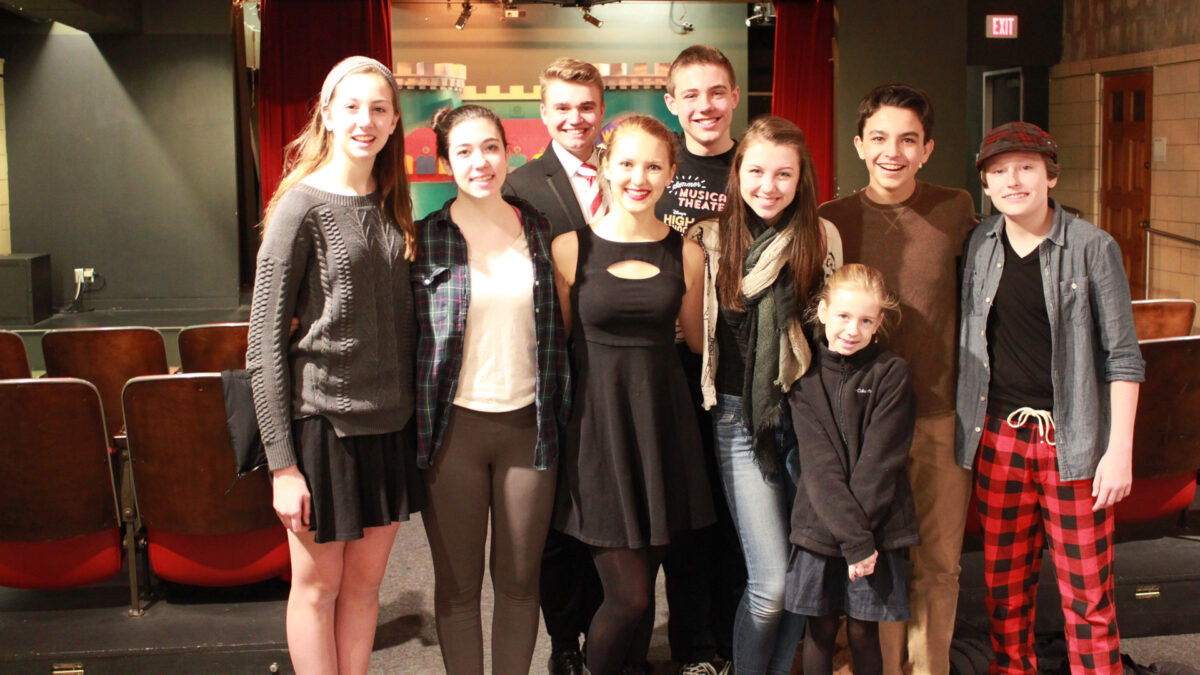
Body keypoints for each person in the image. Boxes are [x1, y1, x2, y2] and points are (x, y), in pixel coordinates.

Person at [247, 55, 422, 675]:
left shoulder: (393, 202)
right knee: (317, 589)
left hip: (389, 427)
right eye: (351, 106)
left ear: (395, 118)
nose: (365, 120)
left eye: (378, 109)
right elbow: (263, 344)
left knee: (365, 589)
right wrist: (282, 466)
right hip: (322, 429)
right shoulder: (300, 206)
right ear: (327, 112)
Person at [957, 122, 1143, 674]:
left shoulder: (1093, 246)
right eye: (999, 171)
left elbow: (1124, 357)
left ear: (1049, 175)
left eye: (1026, 168)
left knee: (1087, 592)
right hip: (998, 436)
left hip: (1075, 440)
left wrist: (1120, 450)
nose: (1013, 180)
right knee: (1004, 587)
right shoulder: (978, 244)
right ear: (986, 184)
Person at [817, 83, 976, 675]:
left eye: (908, 139)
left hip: (938, 413)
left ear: (928, 148)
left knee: (939, 563)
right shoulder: (832, 220)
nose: (893, 151)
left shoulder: (956, 208)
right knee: (874, 560)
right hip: (862, 422)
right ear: (859, 144)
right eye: (880, 138)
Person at [413, 104, 572, 675]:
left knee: (519, 581)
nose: (479, 162)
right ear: (446, 161)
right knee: (457, 588)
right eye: (464, 151)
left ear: (508, 152)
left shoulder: (540, 229)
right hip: (452, 428)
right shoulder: (423, 240)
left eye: (489, 148)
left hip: (529, 427)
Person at [552, 115, 713, 675]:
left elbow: (694, 341)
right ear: (604, 167)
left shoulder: (688, 254)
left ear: (671, 173)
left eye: (652, 165)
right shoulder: (571, 249)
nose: (638, 177)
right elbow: (563, 346)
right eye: (626, 163)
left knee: (646, 587)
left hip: (664, 430)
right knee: (630, 597)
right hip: (599, 434)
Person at [692, 116, 841, 675]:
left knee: (803, 576)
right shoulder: (706, 241)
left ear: (801, 178)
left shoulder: (823, 238)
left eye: (784, 173)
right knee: (771, 584)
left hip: (808, 421)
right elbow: (691, 335)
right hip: (739, 420)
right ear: (737, 174)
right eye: (756, 171)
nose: (768, 185)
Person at [502, 57, 607, 675]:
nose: (575, 118)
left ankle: (610, 636)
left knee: (610, 518)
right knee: (556, 524)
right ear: (544, 114)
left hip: (624, 373)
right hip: (554, 375)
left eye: (586, 106)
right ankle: (566, 644)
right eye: (562, 108)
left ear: (602, 110)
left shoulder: (630, 172)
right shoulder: (519, 187)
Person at [655, 44, 746, 675]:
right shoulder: (657, 169)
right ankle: (693, 652)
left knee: (743, 520)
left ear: (735, 97)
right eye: (691, 94)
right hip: (676, 370)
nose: (705, 106)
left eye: (716, 92)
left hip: (745, 366)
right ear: (671, 103)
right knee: (687, 524)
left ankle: (739, 644)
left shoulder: (759, 164)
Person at [785, 263, 920, 675]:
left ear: (878, 323)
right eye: (843, 316)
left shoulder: (891, 373)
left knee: (864, 633)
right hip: (822, 526)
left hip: (877, 527)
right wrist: (852, 541)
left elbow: (880, 463)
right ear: (822, 311)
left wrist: (862, 542)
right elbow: (820, 468)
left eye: (865, 320)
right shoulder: (803, 378)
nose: (851, 329)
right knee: (820, 632)